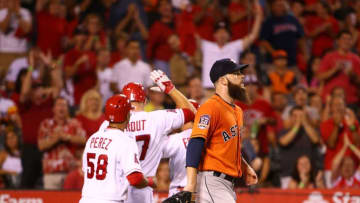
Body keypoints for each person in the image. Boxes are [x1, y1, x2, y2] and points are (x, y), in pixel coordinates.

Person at [165, 58, 257, 203]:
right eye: (236, 73)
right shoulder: (210, 107)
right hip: (211, 182)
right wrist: (190, 186)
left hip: (226, 184)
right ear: (223, 80)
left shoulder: (238, 111)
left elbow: (227, 146)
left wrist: (245, 167)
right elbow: (195, 143)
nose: (242, 76)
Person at [119, 70, 196, 203]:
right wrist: (169, 88)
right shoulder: (157, 118)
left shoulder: (109, 124)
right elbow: (191, 112)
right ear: (144, 100)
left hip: (117, 187)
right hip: (143, 187)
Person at [79, 94, 156, 203]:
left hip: (86, 199)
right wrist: (149, 182)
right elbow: (135, 179)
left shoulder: (93, 138)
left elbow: (85, 170)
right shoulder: (125, 140)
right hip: (110, 200)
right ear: (127, 115)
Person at [199, 0, 262, 88]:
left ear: (229, 35)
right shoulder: (206, 45)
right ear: (214, 35)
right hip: (209, 90)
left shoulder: (235, 46)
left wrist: (258, 16)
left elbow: (253, 35)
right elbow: (192, 31)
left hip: (229, 91)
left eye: (224, 32)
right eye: (219, 32)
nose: (222, 35)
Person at [38, 97, 86, 189]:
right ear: (53, 108)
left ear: (67, 108)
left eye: (64, 105)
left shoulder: (75, 123)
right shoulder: (46, 124)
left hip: (72, 171)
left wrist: (67, 137)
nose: (62, 108)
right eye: (59, 105)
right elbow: (41, 146)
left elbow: (84, 140)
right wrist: (56, 139)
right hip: (52, 173)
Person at [162, 100, 199, 196]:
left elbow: (152, 151)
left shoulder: (176, 139)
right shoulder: (209, 138)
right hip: (203, 192)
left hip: (180, 192)